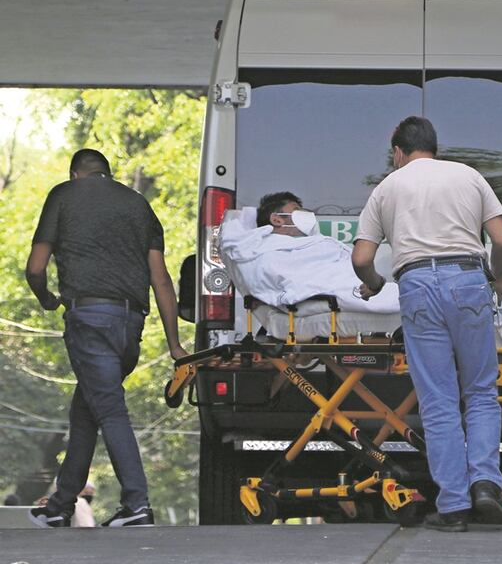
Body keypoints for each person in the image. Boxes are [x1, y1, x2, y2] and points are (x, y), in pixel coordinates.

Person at [351, 116, 502, 532]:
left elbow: (361, 259)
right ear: (435, 147)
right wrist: (497, 274)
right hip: (467, 280)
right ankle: (486, 484)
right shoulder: (468, 176)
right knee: (480, 392)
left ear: (398, 152)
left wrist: (374, 284)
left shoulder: (386, 188)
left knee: (439, 400)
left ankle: (454, 506)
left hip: (416, 286)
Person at [24, 148, 187, 528]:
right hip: (131, 327)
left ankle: (137, 505)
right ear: (107, 173)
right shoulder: (139, 205)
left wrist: (47, 299)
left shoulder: (64, 195)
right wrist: (175, 345)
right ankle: (60, 506)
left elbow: (35, 267)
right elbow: (161, 280)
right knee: (86, 411)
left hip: (90, 323)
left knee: (110, 411)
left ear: (75, 174)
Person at [217, 191, 398, 313]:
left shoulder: (307, 245)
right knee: (404, 297)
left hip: (358, 286)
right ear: (277, 219)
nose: (306, 215)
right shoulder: (264, 253)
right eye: (297, 210)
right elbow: (298, 280)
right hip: (346, 292)